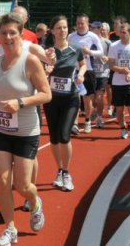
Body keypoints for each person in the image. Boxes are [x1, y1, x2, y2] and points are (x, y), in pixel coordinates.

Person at [0, 12, 51, 245]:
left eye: (12, 33)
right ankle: (10, 228)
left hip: (26, 132)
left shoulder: (30, 61)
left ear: (21, 35)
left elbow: (46, 94)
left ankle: (35, 202)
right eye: (3, 33)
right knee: (1, 180)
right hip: (0, 129)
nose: (8, 37)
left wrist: (20, 103)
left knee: (22, 186)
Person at [43, 15, 87, 191]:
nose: (63, 31)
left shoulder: (75, 49)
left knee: (64, 135)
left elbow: (83, 64)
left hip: (70, 98)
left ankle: (67, 172)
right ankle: (59, 170)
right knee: (54, 139)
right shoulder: (47, 51)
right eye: (59, 28)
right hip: (51, 99)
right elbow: (40, 72)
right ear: (52, 31)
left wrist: (81, 73)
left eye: (65, 27)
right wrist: (47, 69)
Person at [67, 14, 103, 134]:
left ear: (88, 24)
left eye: (82, 23)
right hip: (74, 71)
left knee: (87, 99)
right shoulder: (71, 37)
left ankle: (87, 120)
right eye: (78, 23)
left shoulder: (93, 37)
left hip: (88, 71)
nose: (80, 26)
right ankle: (75, 124)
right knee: (75, 98)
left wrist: (90, 52)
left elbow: (101, 52)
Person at [108, 23, 130, 139]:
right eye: (120, 32)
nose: (121, 35)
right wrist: (122, 70)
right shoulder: (114, 46)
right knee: (119, 108)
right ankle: (122, 129)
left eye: (124, 33)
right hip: (118, 82)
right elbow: (111, 65)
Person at [90, 21, 111, 128]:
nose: (92, 30)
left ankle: (99, 118)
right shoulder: (88, 41)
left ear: (99, 29)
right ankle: (95, 109)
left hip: (103, 73)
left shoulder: (107, 43)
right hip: (90, 72)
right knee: (92, 99)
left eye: (94, 28)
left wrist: (107, 58)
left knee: (99, 96)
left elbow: (113, 58)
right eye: (91, 28)